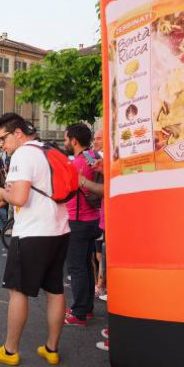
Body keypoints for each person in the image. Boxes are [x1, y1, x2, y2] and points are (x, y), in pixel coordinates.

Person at [0, 113, 70, 366]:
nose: (1, 145)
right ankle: (51, 348)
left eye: (2, 139)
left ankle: (10, 351)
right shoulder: (47, 149)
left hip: (32, 232)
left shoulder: (22, 155)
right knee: (55, 290)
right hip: (59, 229)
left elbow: (19, 198)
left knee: (18, 291)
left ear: (17, 133)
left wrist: (0, 193)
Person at [63, 123, 102, 326]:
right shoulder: (94, 157)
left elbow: (65, 191)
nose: (65, 143)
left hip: (78, 220)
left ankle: (79, 313)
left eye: (66, 139)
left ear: (74, 141)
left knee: (77, 267)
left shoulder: (77, 163)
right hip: (94, 218)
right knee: (86, 266)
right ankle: (86, 308)